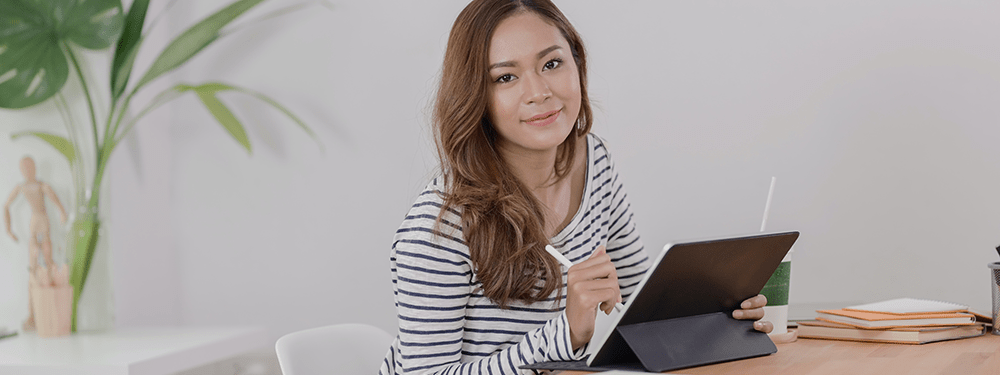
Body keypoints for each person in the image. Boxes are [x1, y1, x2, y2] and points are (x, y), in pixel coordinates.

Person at [380, 1, 772, 374]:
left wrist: (713, 317)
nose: (539, 92)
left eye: (551, 63)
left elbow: (638, 305)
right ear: (475, 97)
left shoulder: (593, 161)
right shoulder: (439, 227)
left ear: (577, 64)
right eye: (506, 77)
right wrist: (565, 335)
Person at [4, 156, 68, 331]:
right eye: (24, 168)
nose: (27, 171)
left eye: (30, 166)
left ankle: (52, 311)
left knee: (49, 264)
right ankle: (33, 314)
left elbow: (56, 201)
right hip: (34, 226)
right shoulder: (22, 187)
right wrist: (8, 229)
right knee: (33, 270)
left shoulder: (42, 186)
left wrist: (63, 214)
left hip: (43, 224)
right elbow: (6, 205)